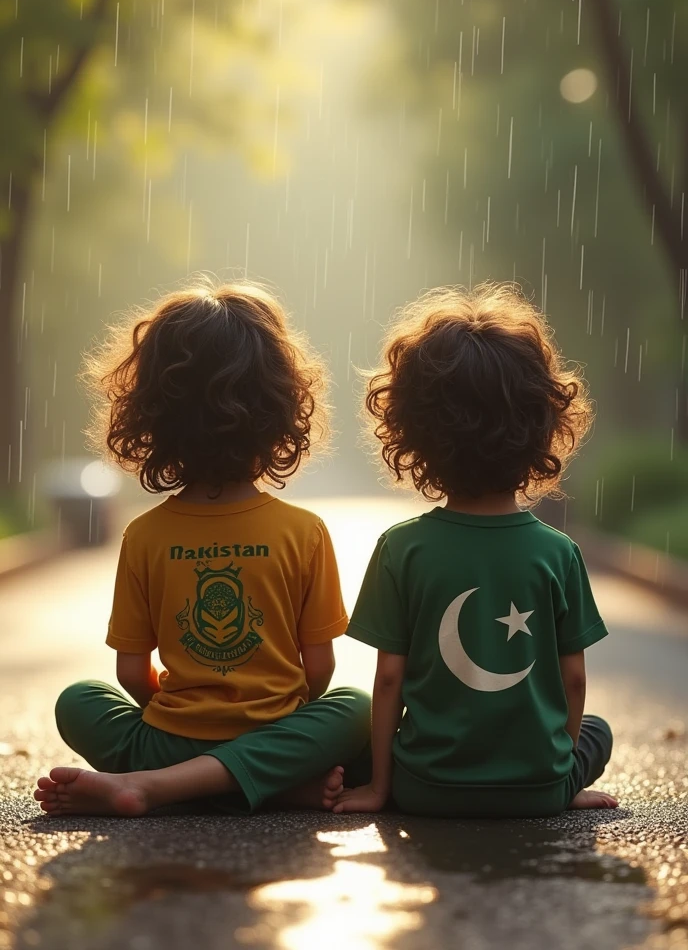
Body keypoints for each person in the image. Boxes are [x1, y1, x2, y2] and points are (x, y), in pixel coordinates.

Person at [34, 281, 370, 817]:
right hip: (275, 739)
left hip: (168, 741)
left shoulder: (143, 534)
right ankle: (267, 782)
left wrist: (181, 721)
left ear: (150, 415)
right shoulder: (304, 531)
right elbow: (319, 671)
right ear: (281, 408)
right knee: (356, 710)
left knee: (79, 702)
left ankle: (160, 783)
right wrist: (268, 734)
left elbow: (128, 673)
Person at [334, 282, 618, 818]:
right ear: (541, 426)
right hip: (538, 792)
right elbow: (573, 681)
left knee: (351, 729)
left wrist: (379, 791)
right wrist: (561, 784)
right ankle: (563, 781)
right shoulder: (559, 553)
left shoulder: (401, 548)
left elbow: (389, 679)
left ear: (413, 433)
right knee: (597, 732)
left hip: (426, 789)